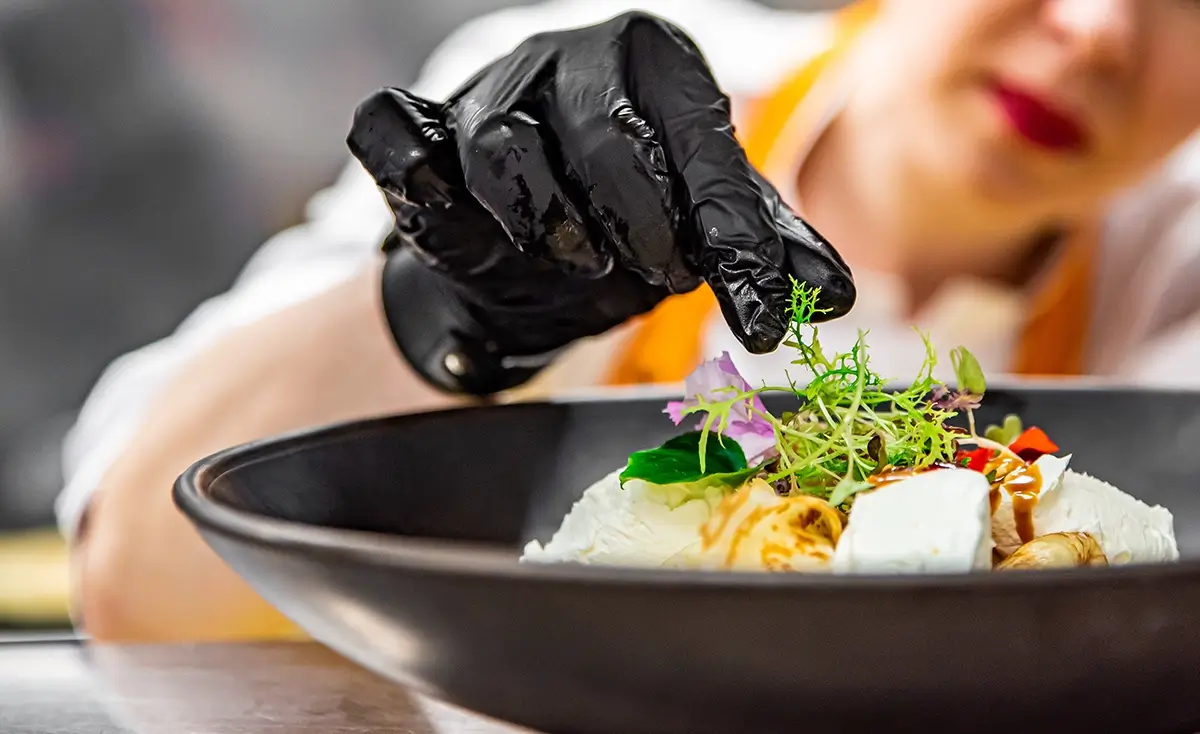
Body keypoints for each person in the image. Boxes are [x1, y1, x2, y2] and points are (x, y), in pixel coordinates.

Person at [62, 0, 1200, 642]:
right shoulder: (576, 108)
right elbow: (133, 586)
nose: (1101, 29)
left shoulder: (1181, 269)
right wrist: (446, 305)